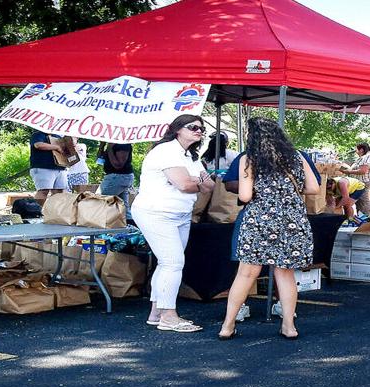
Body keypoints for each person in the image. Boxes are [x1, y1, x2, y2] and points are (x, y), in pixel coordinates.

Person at [218, 117, 318, 342]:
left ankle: (227, 326)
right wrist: (286, 191)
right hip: (292, 220)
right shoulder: (298, 156)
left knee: (246, 274)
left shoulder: (248, 159)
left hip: (259, 221)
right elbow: (313, 188)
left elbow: (244, 196)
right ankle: (289, 326)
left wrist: (264, 190)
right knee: (285, 273)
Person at [130, 114, 214, 333]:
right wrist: (195, 181)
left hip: (180, 214)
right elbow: (185, 185)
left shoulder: (191, 156)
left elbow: (210, 186)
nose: (198, 131)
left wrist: (191, 181)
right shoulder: (166, 151)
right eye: (193, 127)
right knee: (173, 263)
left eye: (201, 128)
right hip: (157, 212)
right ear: (178, 129)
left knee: (167, 263)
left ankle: (157, 313)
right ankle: (168, 316)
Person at [29, 130, 71, 199]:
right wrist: (56, 147)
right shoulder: (38, 134)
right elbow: (38, 145)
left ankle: (54, 206)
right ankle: (38, 206)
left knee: (59, 192)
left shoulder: (58, 136)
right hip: (43, 167)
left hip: (60, 168)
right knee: (43, 191)